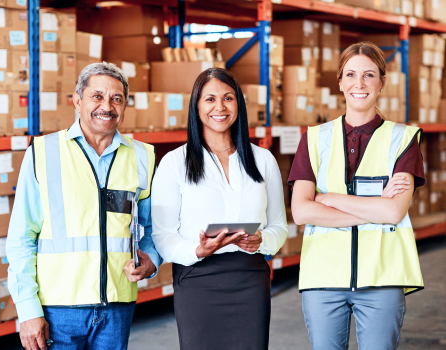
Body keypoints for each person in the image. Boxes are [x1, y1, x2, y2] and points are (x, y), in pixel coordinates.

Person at [6, 62, 162, 350]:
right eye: (97, 96)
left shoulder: (143, 157)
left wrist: (151, 260)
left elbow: (152, 228)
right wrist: (28, 309)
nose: (107, 106)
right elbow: (21, 238)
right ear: (77, 100)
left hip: (117, 307)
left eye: (117, 98)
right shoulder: (43, 153)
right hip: (57, 309)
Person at [289, 41, 425, 350]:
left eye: (368, 75)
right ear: (340, 82)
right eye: (350, 75)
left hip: (382, 277)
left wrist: (326, 199)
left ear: (382, 83)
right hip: (322, 277)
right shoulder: (313, 139)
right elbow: (301, 212)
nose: (359, 84)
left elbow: (394, 212)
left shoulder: (403, 139)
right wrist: (373, 207)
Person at [151, 68, 289, 350]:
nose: (220, 107)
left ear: (238, 103)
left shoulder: (262, 160)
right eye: (210, 99)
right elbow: (162, 235)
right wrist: (196, 251)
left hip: (250, 279)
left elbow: (278, 225)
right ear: (197, 106)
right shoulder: (174, 163)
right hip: (198, 280)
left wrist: (263, 240)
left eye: (228, 98)